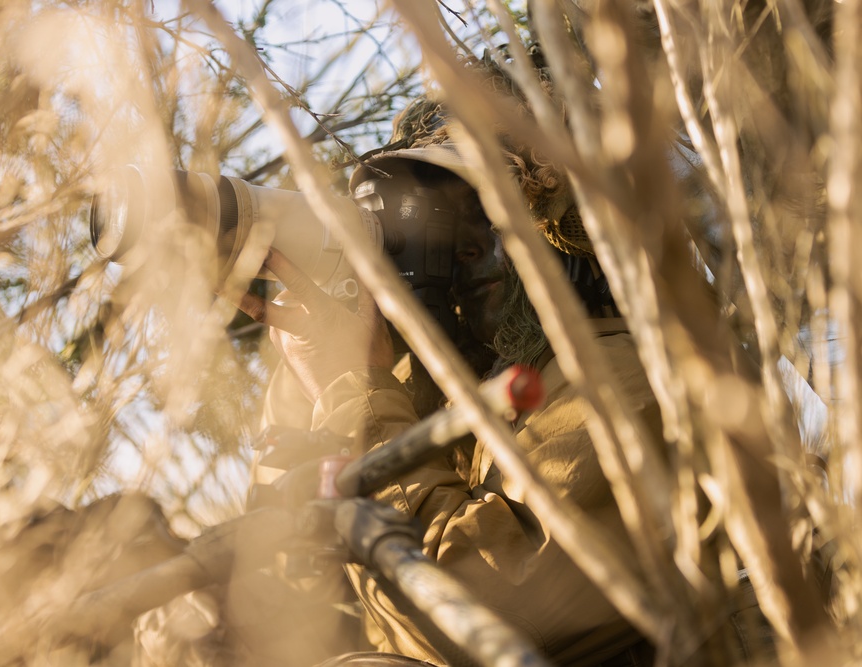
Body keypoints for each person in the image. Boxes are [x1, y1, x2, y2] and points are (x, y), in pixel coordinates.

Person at [235, 77, 668, 665]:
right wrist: (315, 381)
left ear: (573, 227)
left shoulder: (622, 376)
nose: (463, 249)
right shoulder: (447, 395)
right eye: (439, 226)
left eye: (489, 212)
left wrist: (357, 390)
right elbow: (296, 617)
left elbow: (484, 611)